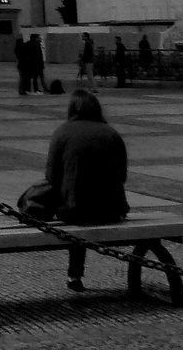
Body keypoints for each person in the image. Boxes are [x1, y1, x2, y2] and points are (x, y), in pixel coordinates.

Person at [45, 90, 129, 292]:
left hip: (75, 211)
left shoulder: (62, 133)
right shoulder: (111, 133)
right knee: (81, 203)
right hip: (112, 210)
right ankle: (74, 275)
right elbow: (123, 176)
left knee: (76, 206)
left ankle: (74, 275)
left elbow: (51, 177)